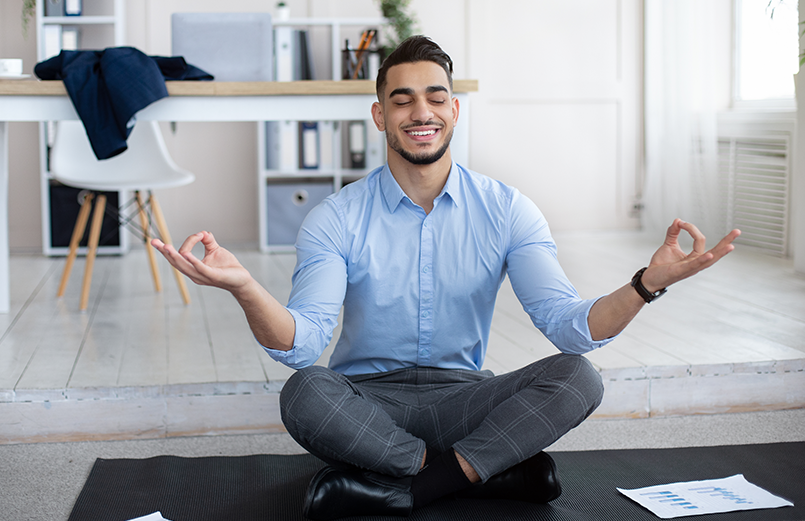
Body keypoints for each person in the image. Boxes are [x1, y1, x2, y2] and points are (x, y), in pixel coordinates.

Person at [152, 36, 741, 520]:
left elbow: (571, 330)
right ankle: (483, 471)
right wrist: (245, 287)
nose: (421, 113)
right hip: (368, 402)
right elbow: (302, 343)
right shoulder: (335, 217)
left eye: (435, 97)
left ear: (454, 110)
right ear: (380, 114)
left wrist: (643, 284)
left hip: (465, 397)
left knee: (578, 377)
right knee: (304, 392)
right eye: (402, 100)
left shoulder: (509, 209)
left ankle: (408, 486)